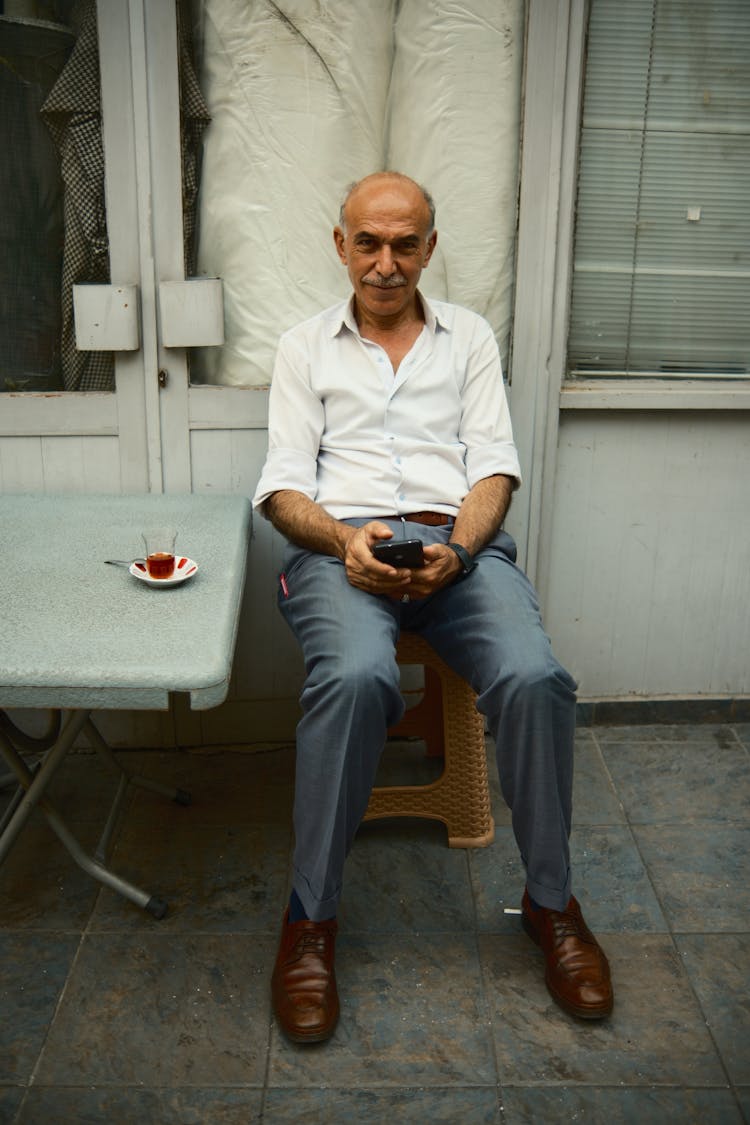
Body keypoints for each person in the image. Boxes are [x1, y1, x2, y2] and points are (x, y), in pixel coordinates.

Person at [252, 170, 613, 1043]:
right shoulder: (305, 347)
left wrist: (458, 547)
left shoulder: (469, 339)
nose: (385, 263)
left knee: (536, 676)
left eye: (403, 243)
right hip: (343, 549)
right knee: (356, 678)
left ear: (429, 248)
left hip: (459, 548)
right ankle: (310, 920)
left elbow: (495, 467)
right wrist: (346, 542)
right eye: (367, 243)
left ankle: (552, 904)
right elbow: (282, 489)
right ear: (341, 245)